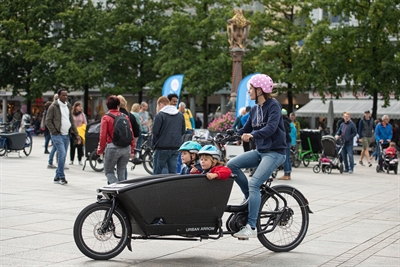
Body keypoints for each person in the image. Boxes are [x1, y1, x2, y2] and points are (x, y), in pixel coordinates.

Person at [226, 73, 286, 239]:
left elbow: (271, 128)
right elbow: (245, 129)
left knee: (254, 183)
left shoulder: (273, 106)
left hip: (275, 152)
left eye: (251, 88)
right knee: (231, 165)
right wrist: (231, 136)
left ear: (260, 90)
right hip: (260, 151)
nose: (249, 91)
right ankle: (250, 198)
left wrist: (253, 136)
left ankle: (251, 227)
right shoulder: (254, 109)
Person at [97, 95, 135, 184]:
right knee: (121, 173)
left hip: (113, 147)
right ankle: (123, 194)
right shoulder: (125, 117)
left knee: (109, 171)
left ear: (107, 106)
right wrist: (132, 150)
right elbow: (131, 134)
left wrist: (100, 150)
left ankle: (117, 188)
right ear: (118, 105)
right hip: (126, 148)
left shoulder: (106, 117)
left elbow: (102, 136)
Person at [46, 89, 80, 185]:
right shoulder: (53, 107)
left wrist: (77, 134)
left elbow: (71, 121)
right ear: (59, 96)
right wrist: (54, 132)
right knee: (62, 154)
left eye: (66, 95)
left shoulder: (68, 106)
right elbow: (48, 121)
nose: (65, 97)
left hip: (66, 135)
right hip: (57, 135)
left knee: (63, 156)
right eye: (63, 95)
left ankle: (56, 177)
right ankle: (62, 177)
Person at [152, 96, 185, 174]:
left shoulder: (160, 115)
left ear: (160, 104)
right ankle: (172, 186)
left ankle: (159, 186)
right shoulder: (180, 115)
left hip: (161, 147)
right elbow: (183, 131)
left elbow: (155, 132)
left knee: (158, 173)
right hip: (175, 147)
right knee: (173, 172)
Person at [69, 101, 87, 165]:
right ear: (75, 107)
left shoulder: (82, 114)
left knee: (80, 147)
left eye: (81, 106)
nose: (80, 107)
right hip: (73, 132)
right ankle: (71, 160)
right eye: (79, 106)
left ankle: (80, 160)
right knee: (73, 146)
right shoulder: (71, 114)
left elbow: (85, 123)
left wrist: (81, 128)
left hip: (80, 133)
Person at [278, 109, 292, 180]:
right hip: (288, 140)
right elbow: (289, 130)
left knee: (285, 157)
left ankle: (286, 174)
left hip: (285, 141)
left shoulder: (283, 121)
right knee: (288, 157)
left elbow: (284, 131)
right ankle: (288, 174)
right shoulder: (287, 121)